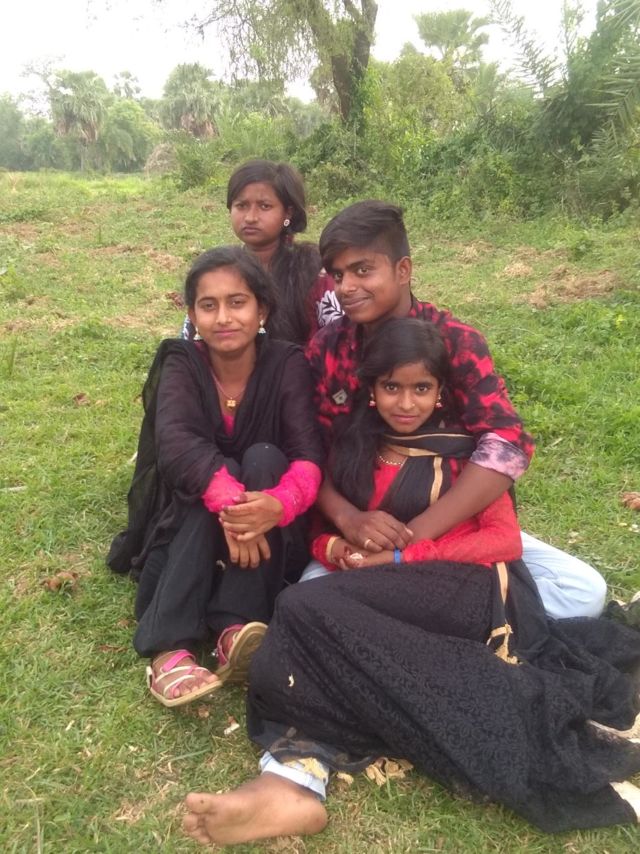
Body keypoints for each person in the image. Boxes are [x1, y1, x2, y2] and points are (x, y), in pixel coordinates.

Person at [182, 319, 640, 845]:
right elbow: (322, 526)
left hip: (466, 589)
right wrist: (337, 549)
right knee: (305, 641)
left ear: (440, 390)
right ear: (371, 391)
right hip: (390, 592)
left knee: (301, 612)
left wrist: (400, 557)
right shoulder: (354, 445)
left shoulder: (468, 450)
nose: (406, 403)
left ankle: (292, 777)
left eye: (421, 388)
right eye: (391, 387)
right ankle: (292, 785)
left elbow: (503, 541)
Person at [303, 200, 606, 618]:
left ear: (403, 270)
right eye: (338, 275)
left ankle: (411, 619)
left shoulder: (455, 341)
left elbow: (506, 446)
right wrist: (350, 519)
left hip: (450, 529)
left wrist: (415, 538)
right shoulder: (328, 348)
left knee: (583, 591)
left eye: (362, 270)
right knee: (309, 595)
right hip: (365, 531)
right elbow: (309, 451)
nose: (346, 287)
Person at [107, 246, 324, 707]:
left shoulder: (287, 363)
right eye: (208, 305)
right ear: (192, 315)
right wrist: (231, 505)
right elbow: (176, 445)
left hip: (270, 531)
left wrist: (278, 504)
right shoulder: (182, 361)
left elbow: (308, 455)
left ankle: (234, 627)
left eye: (237, 302)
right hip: (189, 525)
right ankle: (168, 648)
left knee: (265, 458)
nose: (224, 317)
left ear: (262, 310)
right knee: (207, 474)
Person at [181, 159, 341, 344]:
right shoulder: (219, 269)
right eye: (241, 205)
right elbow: (192, 336)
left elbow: (341, 339)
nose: (250, 218)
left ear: (288, 213)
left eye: (265, 206)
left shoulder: (315, 271)